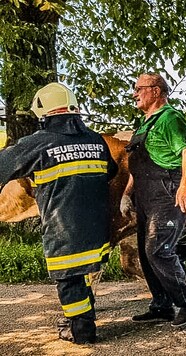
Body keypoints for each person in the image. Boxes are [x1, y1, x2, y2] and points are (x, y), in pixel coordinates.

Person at [0, 83, 118, 344]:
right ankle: (83, 314)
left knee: (69, 279)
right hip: (98, 226)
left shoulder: (37, 143)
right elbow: (112, 172)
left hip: (63, 225)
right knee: (82, 273)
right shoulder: (95, 139)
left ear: (43, 112)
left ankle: (81, 331)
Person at [120, 73, 186, 327]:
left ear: (156, 91)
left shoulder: (170, 118)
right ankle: (161, 305)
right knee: (146, 254)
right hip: (145, 196)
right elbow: (139, 164)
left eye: (139, 88)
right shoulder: (145, 123)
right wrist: (126, 193)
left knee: (158, 249)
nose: (134, 93)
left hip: (167, 194)